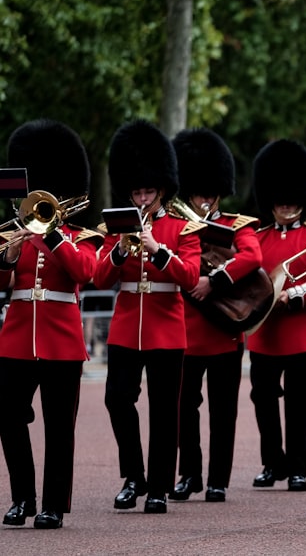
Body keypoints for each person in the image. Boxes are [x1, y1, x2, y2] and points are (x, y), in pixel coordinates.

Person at [94, 119, 202, 514]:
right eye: (136, 191)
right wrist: (120, 251)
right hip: (126, 325)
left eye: (148, 191)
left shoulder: (181, 227)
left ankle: (158, 486)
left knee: (164, 410)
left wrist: (157, 249)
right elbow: (99, 276)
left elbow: (190, 276)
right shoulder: (116, 227)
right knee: (116, 400)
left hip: (166, 327)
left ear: (162, 190)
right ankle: (133, 476)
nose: (141, 198)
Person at [0, 120, 103, 529]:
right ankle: (22, 498)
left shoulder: (81, 236)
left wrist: (53, 235)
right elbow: (4, 284)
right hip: (17, 338)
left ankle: (53, 505)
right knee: (7, 414)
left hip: (61, 340)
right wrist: (7, 255)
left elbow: (85, 272)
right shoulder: (13, 233)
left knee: (60, 427)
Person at [168, 128, 264, 504]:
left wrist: (215, 280)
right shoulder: (179, 228)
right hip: (186, 333)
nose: (205, 199)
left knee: (223, 412)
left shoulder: (237, 225)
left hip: (224, 329)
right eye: (198, 193)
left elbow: (252, 257)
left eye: (210, 193)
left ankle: (217, 479)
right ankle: (189, 473)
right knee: (183, 410)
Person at [248, 139, 306, 492]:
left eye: (292, 199)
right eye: (280, 200)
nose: (286, 206)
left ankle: (297, 467)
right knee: (263, 401)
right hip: (266, 333)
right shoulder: (258, 237)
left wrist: (292, 297)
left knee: (300, 404)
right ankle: (272, 462)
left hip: (302, 330)